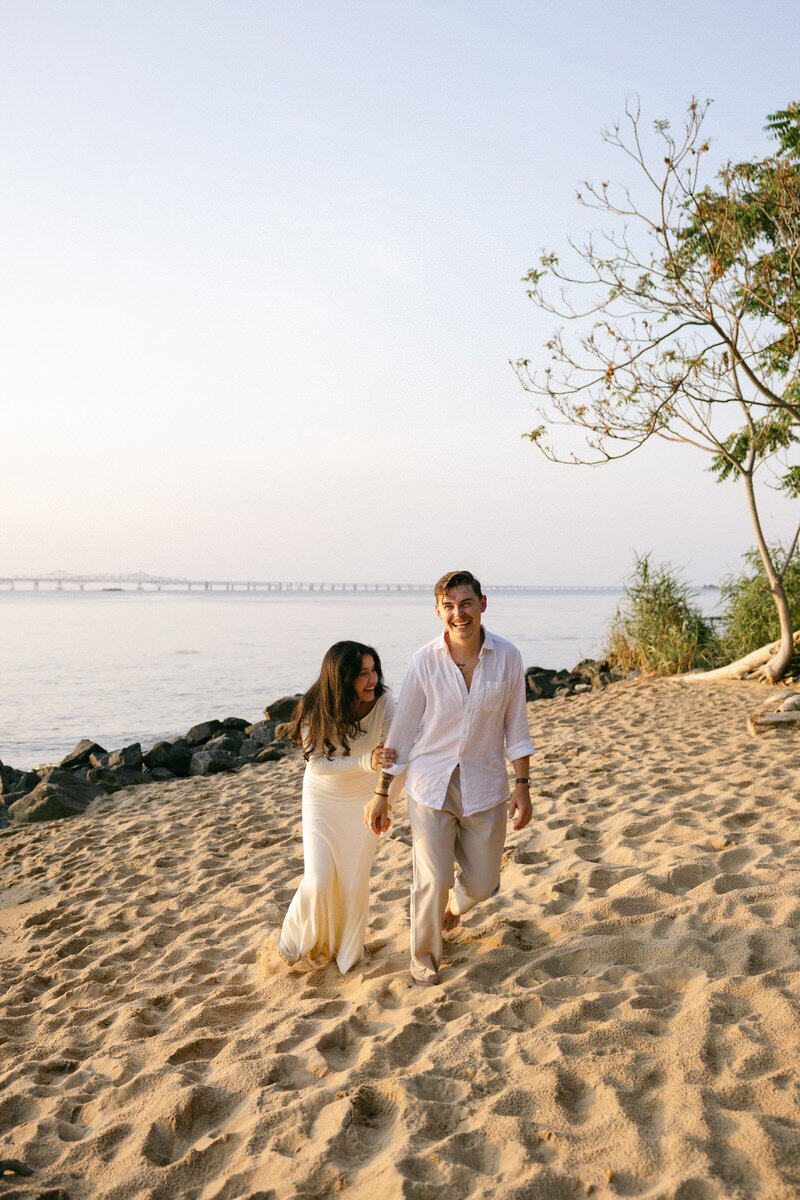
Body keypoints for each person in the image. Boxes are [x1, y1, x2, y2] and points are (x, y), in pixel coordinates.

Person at [364, 571, 534, 986]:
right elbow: (402, 731)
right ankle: (424, 960)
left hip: (487, 784)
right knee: (432, 876)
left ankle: (454, 909)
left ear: (483, 604)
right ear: (438, 611)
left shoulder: (508, 657)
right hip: (430, 784)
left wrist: (523, 786)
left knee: (482, 882)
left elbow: (517, 727)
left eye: (466, 603)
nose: (459, 614)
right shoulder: (424, 660)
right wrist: (382, 792)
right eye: (450, 606)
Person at [278, 640, 400, 975]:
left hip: (365, 796)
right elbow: (317, 765)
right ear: (341, 679)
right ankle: (292, 942)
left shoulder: (385, 702)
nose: (372, 679)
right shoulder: (315, 707)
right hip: (324, 797)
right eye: (362, 674)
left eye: (374, 670)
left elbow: (395, 752)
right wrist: (367, 760)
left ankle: (347, 953)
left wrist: (384, 796)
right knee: (319, 880)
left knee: (353, 880)